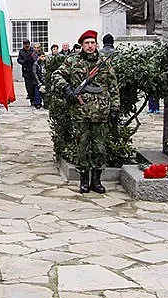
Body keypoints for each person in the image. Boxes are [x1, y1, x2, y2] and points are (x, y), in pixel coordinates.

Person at [52, 30, 121, 195]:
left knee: (100, 147)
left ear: (96, 44)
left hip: (101, 111)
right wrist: (67, 89)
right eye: (86, 43)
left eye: (92, 43)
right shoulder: (73, 61)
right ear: (82, 45)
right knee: (82, 147)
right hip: (81, 112)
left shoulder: (104, 63)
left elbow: (113, 86)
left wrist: (115, 108)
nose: (90, 46)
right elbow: (56, 75)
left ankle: (96, 180)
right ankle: (84, 180)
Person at [16, 39, 37, 105]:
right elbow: (19, 60)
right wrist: (24, 62)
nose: (26, 46)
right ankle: (31, 98)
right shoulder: (21, 51)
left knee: (34, 85)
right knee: (28, 86)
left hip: (34, 70)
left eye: (27, 44)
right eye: (25, 44)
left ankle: (34, 99)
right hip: (26, 71)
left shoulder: (33, 50)